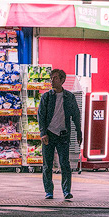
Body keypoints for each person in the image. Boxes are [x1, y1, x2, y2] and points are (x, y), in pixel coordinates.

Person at [38, 68, 82, 200]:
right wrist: (43, 133)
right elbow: (41, 115)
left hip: (63, 135)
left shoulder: (69, 97)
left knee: (65, 164)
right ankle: (48, 191)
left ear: (62, 80)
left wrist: (78, 132)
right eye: (51, 78)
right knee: (47, 165)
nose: (52, 80)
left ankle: (66, 191)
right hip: (49, 135)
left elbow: (76, 115)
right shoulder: (46, 97)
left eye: (56, 78)